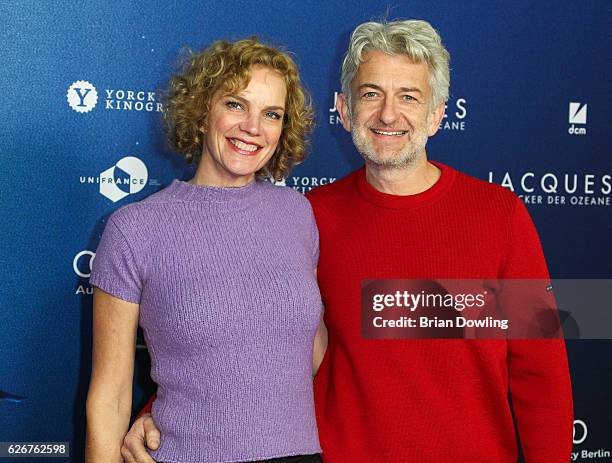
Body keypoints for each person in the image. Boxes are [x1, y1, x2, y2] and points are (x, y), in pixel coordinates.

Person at [123, 20, 574, 462]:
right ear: (344, 108)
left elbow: (542, 375)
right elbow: (246, 336)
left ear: (438, 115)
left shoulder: (500, 215)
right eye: (371, 94)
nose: (388, 114)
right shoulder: (308, 216)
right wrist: (159, 413)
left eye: (409, 97)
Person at [85, 37, 326, 463]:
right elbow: (110, 397)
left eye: (271, 114)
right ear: (200, 113)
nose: (253, 126)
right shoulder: (134, 230)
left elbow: (304, 350)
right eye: (235, 104)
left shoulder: (297, 214)